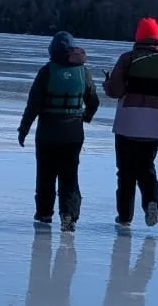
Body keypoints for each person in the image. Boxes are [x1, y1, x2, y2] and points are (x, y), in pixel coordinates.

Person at [17, 30, 101, 231]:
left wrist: (24, 129)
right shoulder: (83, 72)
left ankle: (44, 214)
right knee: (69, 175)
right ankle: (69, 216)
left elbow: (33, 105)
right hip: (73, 133)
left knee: (45, 175)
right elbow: (94, 101)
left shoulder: (46, 71)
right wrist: (86, 117)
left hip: (47, 133)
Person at [102, 16, 158, 231]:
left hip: (127, 121)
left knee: (125, 171)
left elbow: (116, 90)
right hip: (152, 123)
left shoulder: (127, 58)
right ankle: (151, 202)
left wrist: (107, 85)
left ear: (138, 36)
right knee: (146, 167)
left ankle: (125, 216)